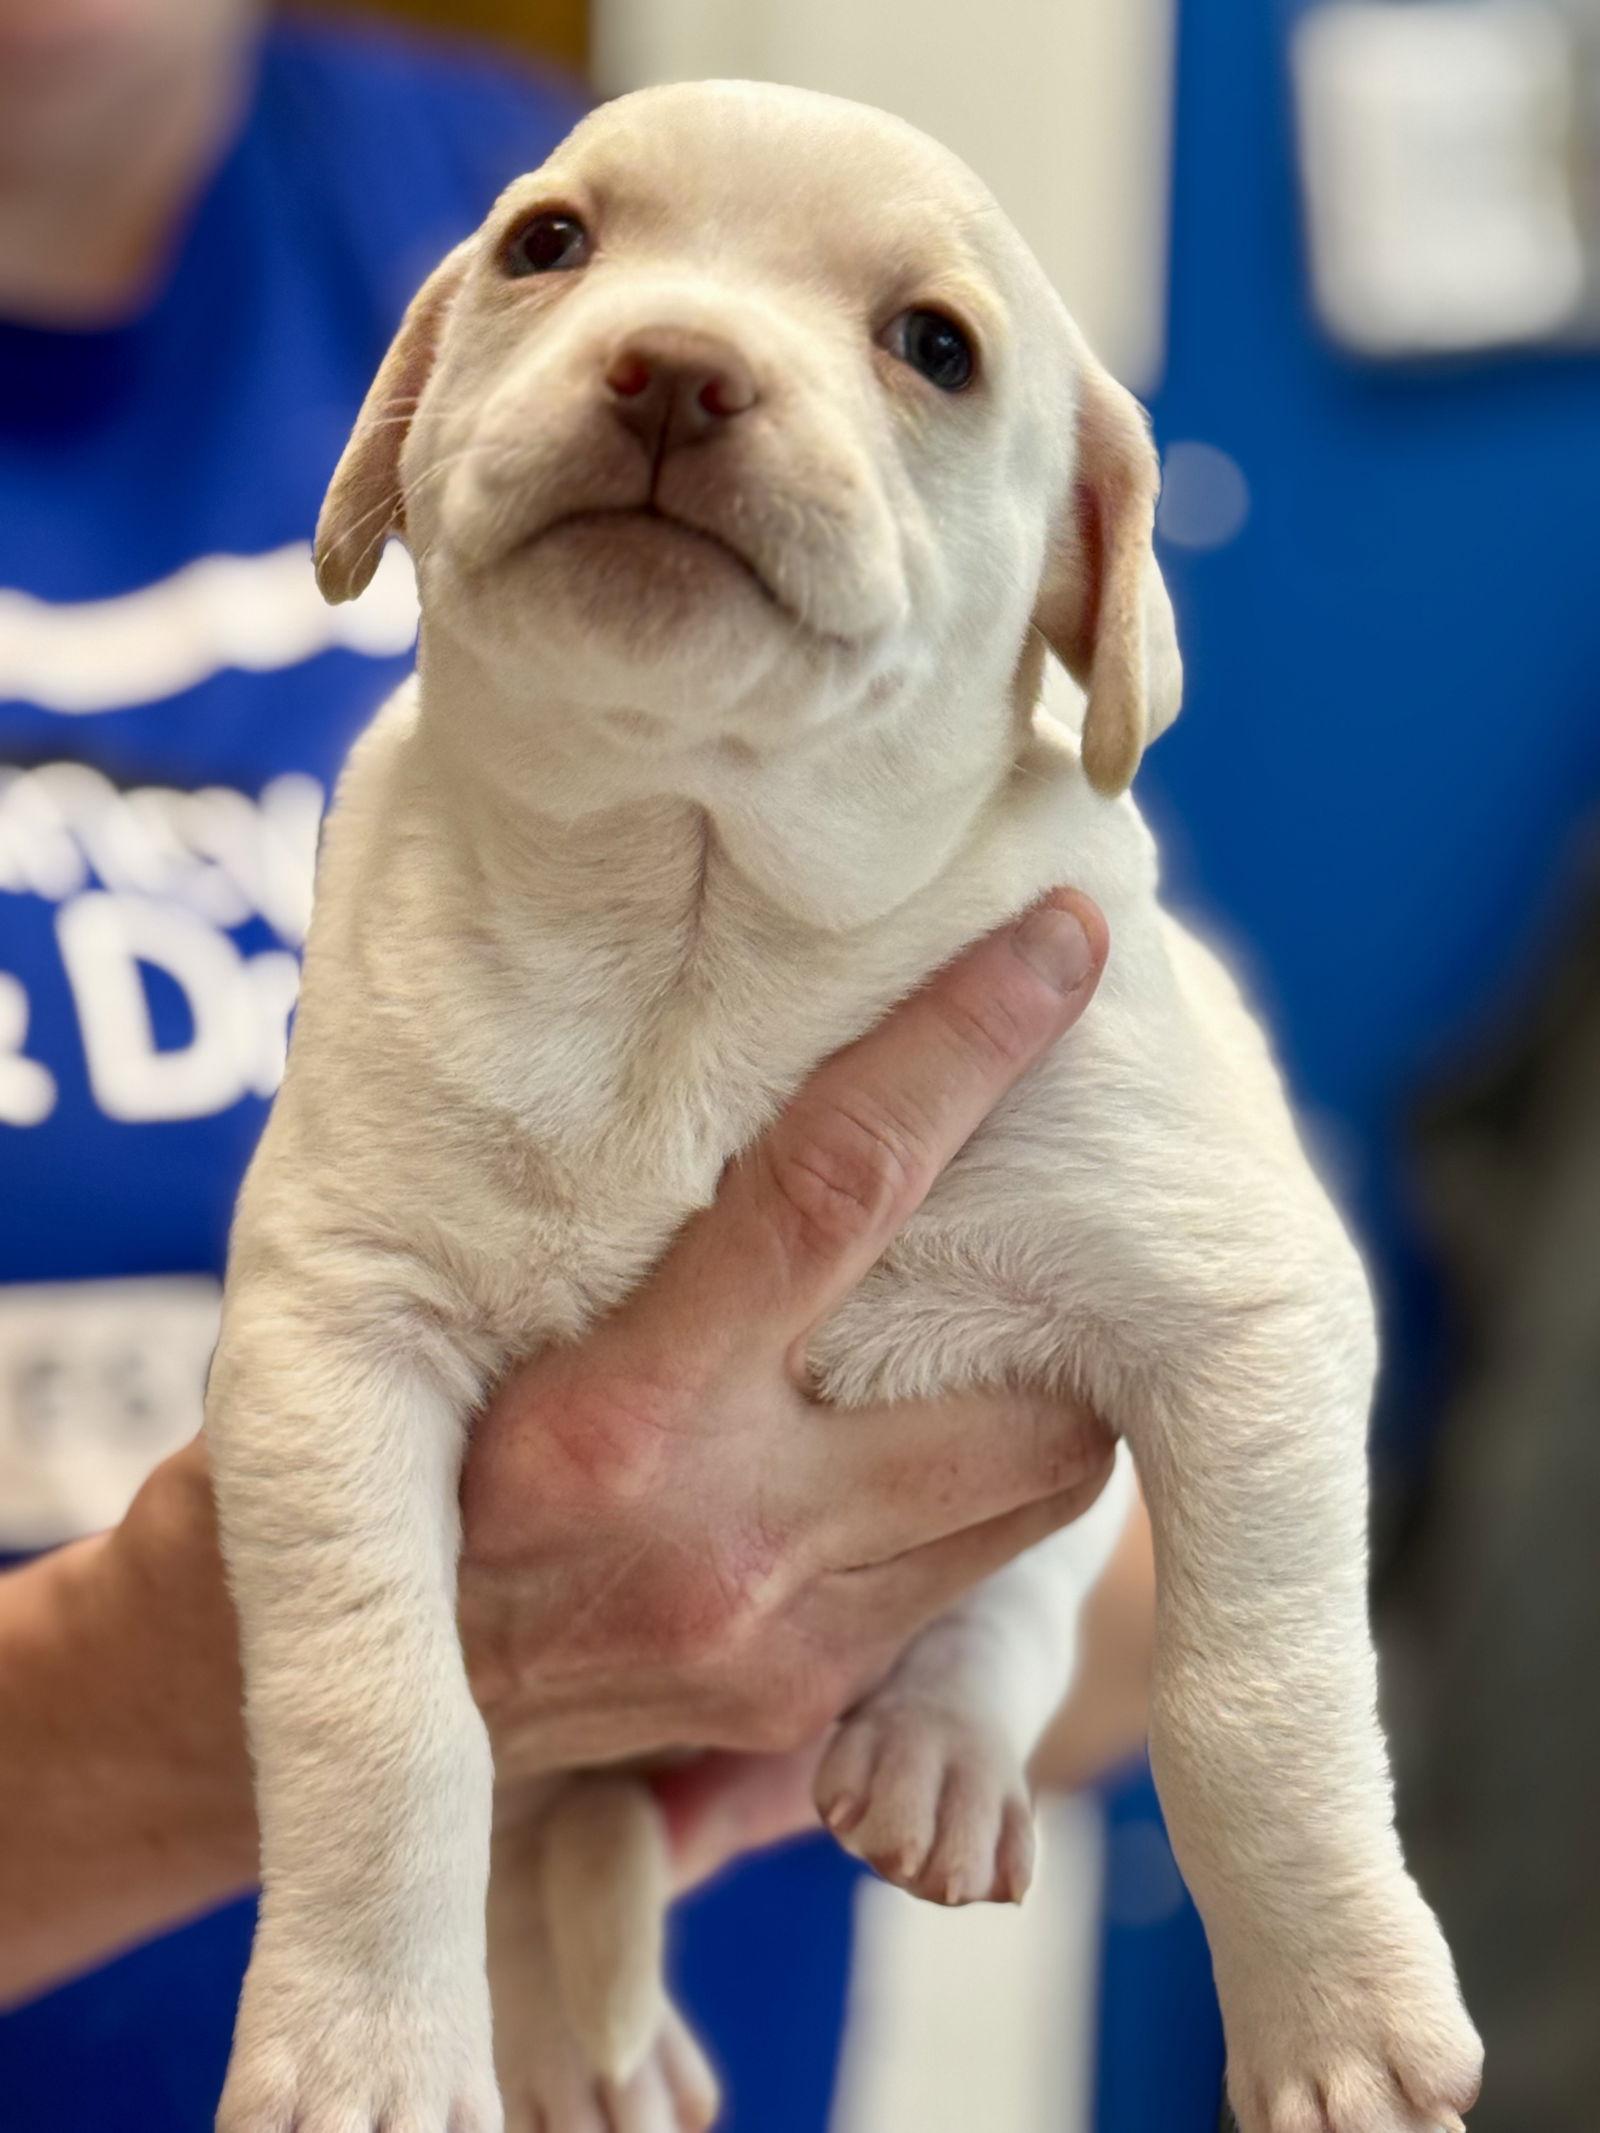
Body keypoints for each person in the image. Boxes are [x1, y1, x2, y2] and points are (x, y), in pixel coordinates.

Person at [0, 2, 1155, 2127]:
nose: (681, 349)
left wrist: (901, 1644)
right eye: (557, 268)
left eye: (906, 343)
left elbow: (1139, 1522)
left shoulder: (602, 190)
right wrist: (195, 1699)